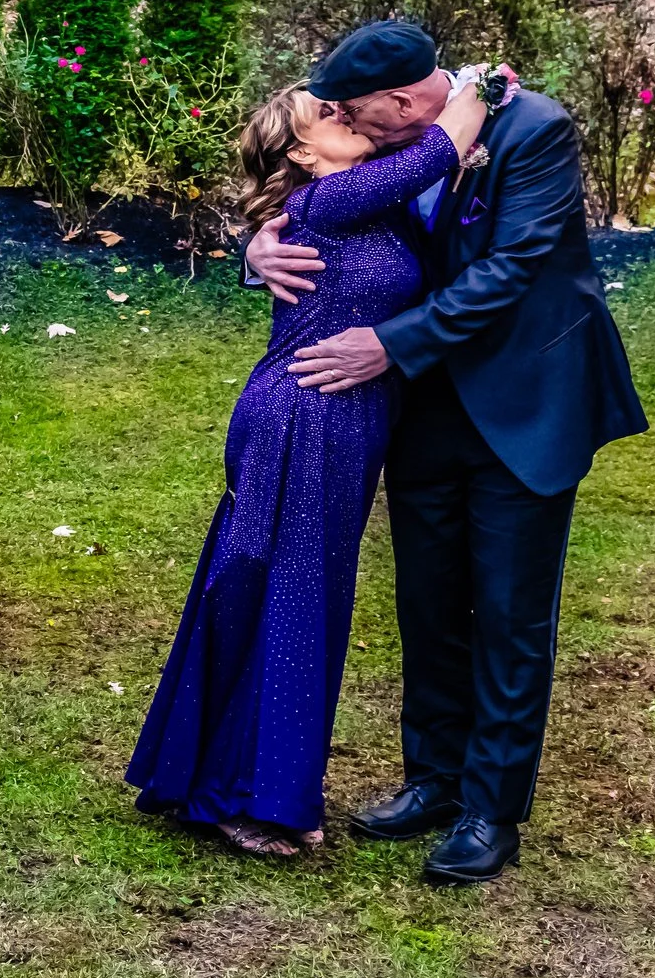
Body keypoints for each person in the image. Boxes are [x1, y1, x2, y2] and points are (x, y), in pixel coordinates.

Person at [247, 20, 647, 885]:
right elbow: (334, 216)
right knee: (428, 602)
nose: (355, 130)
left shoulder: (531, 129)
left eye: (359, 114)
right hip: (424, 409)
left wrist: (386, 344)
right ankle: (432, 777)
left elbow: (509, 269)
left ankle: (489, 809)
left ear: (399, 100)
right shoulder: (401, 149)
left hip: (522, 402)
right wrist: (259, 248)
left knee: (508, 614)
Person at [129, 78, 486, 857]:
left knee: (276, 590)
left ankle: (217, 775)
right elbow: (442, 137)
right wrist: (481, 84)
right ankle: (249, 796)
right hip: (302, 417)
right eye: (325, 112)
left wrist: (253, 244)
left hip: (340, 422)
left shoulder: (359, 202)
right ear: (300, 150)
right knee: (288, 597)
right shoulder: (331, 202)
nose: (345, 112)